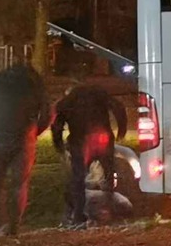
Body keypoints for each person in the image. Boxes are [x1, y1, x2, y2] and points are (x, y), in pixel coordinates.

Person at [0, 62, 51, 237]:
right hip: (25, 138)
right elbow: (47, 113)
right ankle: (14, 226)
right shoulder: (34, 85)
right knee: (19, 183)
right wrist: (35, 131)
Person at [52, 79, 128, 228]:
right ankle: (111, 212)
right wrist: (121, 130)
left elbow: (57, 125)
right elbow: (118, 106)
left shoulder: (68, 100)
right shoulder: (99, 93)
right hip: (103, 137)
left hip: (81, 141)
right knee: (109, 175)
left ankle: (78, 216)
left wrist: (58, 143)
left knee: (78, 179)